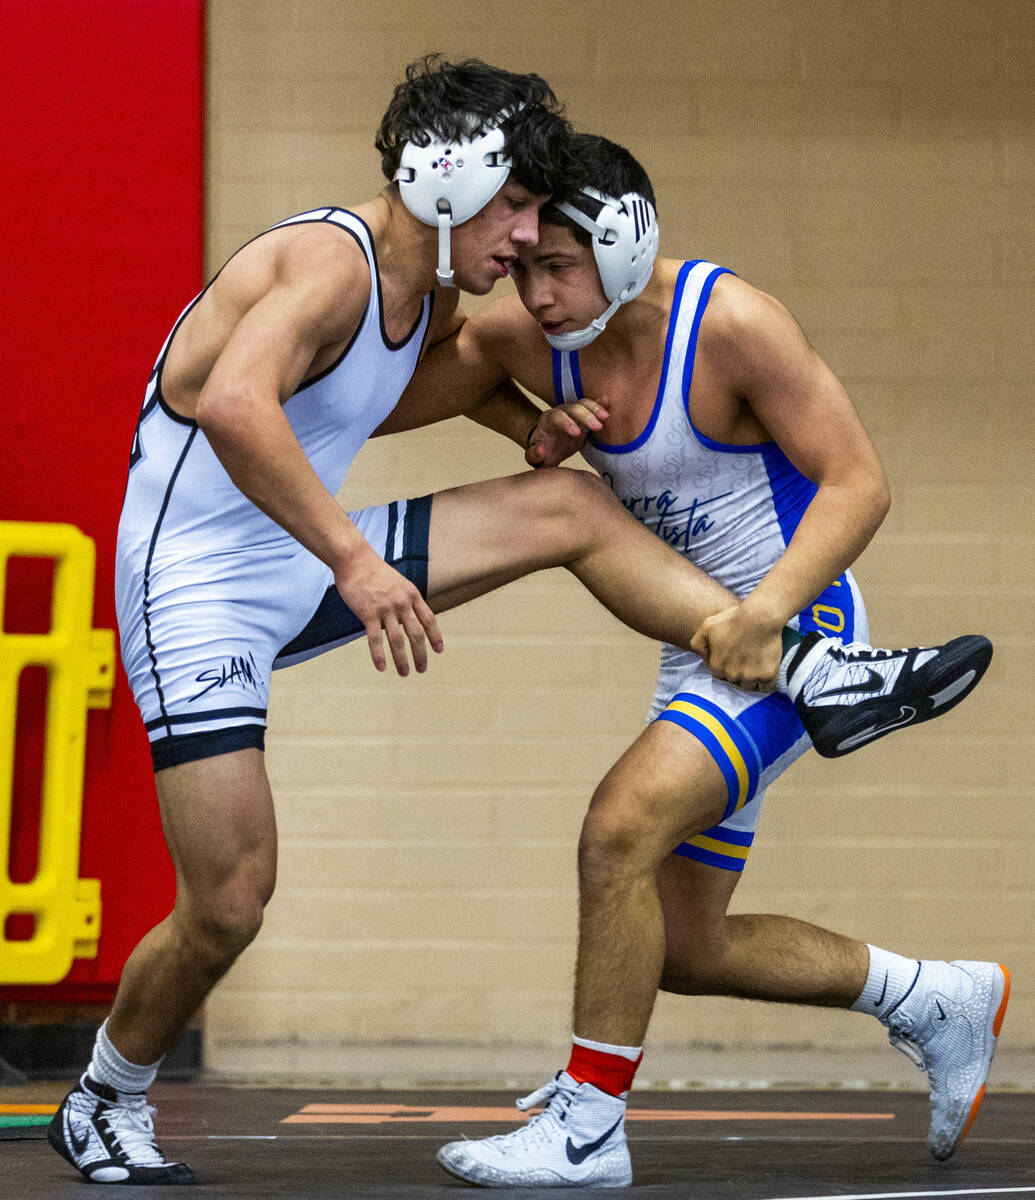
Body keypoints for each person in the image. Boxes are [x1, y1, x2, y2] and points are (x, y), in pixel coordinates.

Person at [47, 59, 989, 1185]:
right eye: (515, 221)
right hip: (194, 583)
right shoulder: (325, 264)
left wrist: (528, 430)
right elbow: (240, 404)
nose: (524, 257)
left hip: (308, 553)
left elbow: (406, 388)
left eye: (550, 243)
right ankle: (107, 1094)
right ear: (448, 184)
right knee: (232, 899)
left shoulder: (444, 297)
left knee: (568, 513)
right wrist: (355, 558)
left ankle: (810, 675)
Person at [377, 134, 1005, 1189]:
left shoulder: (732, 324)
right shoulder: (535, 341)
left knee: (616, 829)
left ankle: (587, 1125)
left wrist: (769, 615)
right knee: (682, 945)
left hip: (798, 627)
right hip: (705, 647)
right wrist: (530, 426)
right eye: (522, 265)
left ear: (625, 247)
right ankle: (933, 997)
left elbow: (859, 484)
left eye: (557, 266)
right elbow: (388, 398)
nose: (534, 293)